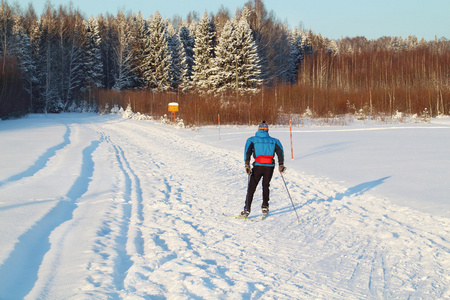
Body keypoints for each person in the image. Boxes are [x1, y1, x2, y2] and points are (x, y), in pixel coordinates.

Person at [241, 121, 286, 217]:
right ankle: (265, 206)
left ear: (258, 130)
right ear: (267, 130)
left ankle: (247, 209)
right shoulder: (275, 141)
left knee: (252, 187)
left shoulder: (251, 140)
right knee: (266, 185)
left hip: (258, 166)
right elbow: (280, 152)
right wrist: (281, 164)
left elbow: (247, 152)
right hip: (269, 167)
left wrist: (247, 164)